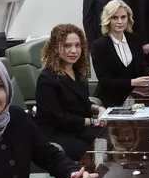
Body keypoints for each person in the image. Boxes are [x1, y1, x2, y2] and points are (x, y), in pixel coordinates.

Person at [35, 24, 106, 160]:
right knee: (85, 151)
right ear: (56, 48)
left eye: (77, 45)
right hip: (57, 131)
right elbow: (59, 118)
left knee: (107, 135)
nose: (74, 51)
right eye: (67, 46)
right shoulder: (46, 78)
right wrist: (92, 121)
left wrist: (99, 109)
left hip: (77, 126)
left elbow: (82, 102)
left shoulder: (78, 72)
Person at [90, 0, 149, 107]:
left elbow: (141, 67)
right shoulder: (99, 45)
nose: (120, 21)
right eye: (115, 17)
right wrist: (132, 82)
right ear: (108, 20)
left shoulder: (135, 39)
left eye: (123, 17)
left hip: (135, 97)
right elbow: (105, 81)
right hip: (109, 100)